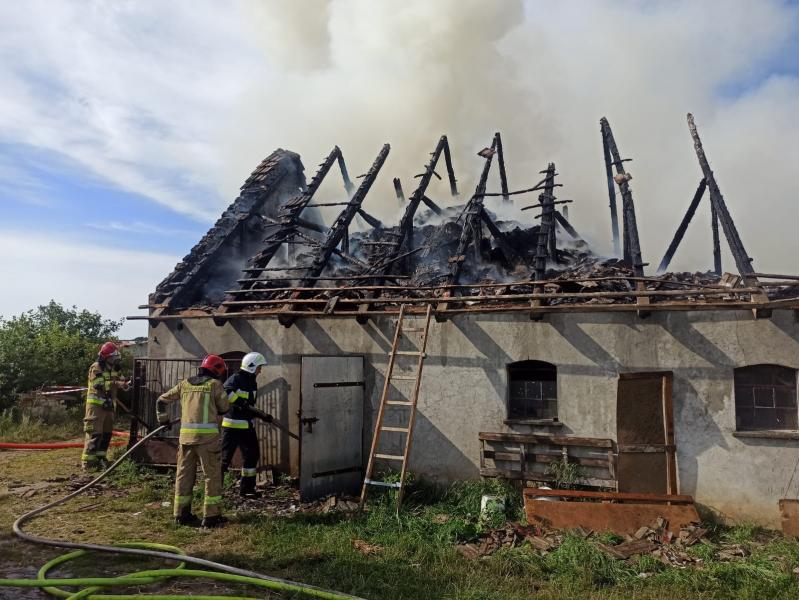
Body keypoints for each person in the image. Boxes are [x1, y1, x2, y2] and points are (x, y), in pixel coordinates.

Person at [156, 354, 229, 527]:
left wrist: (164, 420)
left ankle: (181, 515)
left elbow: (161, 400)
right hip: (208, 440)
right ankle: (211, 517)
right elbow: (224, 408)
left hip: (186, 440)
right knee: (212, 476)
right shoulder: (215, 385)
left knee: (184, 476)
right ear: (217, 370)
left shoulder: (184, 384)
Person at [221, 352, 273, 499]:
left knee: (252, 455)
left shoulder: (252, 382)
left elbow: (249, 405)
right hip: (232, 426)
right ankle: (214, 491)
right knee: (224, 460)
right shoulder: (236, 378)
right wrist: (242, 403)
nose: (260, 371)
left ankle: (247, 489)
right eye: (259, 367)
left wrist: (261, 415)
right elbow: (225, 391)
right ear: (251, 366)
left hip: (247, 426)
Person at [82, 341, 128, 469]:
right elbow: (99, 385)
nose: (116, 358)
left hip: (109, 406)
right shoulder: (96, 367)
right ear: (107, 357)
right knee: (95, 434)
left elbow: (120, 380)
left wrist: (125, 384)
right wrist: (117, 383)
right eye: (114, 356)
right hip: (96, 408)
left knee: (106, 434)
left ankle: (100, 459)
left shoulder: (114, 369)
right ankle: (88, 463)